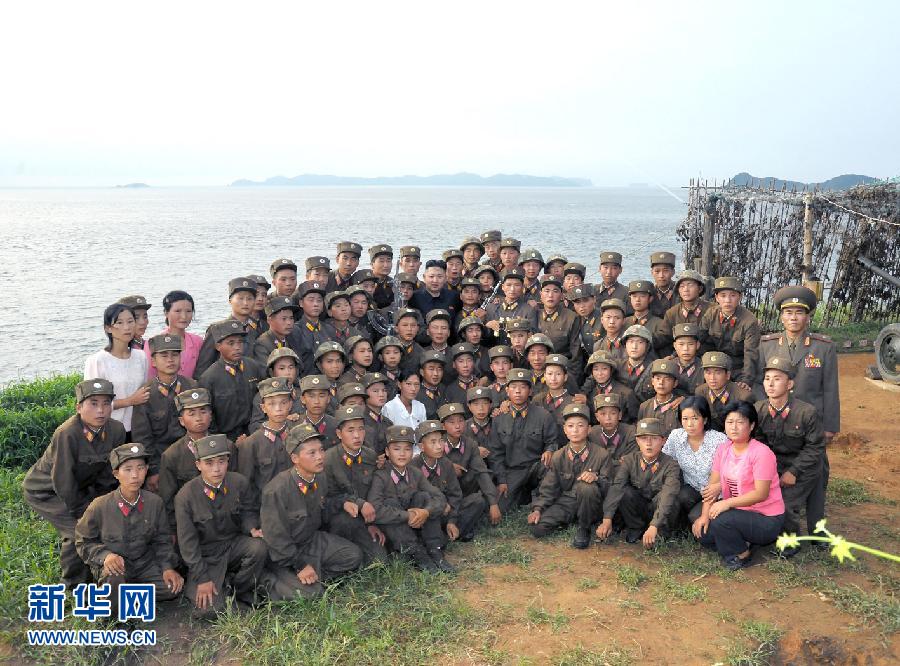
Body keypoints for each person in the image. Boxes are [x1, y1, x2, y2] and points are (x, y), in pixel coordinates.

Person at [23, 379, 125, 588]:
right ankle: (74, 584)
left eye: (106, 403)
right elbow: (63, 482)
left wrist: (101, 505)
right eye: (93, 404)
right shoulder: (67, 433)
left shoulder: (116, 430)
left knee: (101, 522)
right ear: (79, 407)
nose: (101, 410)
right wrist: (83, 513)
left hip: (82, 486)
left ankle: (98, 571)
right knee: (78, 530)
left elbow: (109, 475)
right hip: (46, 491)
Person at [75, 443, 183, 617]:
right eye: (128, 469)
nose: (135, 475)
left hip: (144, 564)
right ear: (116, 474)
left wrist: (167, 567)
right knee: (114, 576)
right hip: (116, 567)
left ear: (147, 470)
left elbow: (162, 540)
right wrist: (106, 556)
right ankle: (115, 609)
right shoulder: (100, 506)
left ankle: (119, 595)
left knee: (172, 588)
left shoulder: (154, 503)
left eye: (140, 468)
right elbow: (83, 541)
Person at [260, 424, 363, 600]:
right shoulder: (276, 490)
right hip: (284, 554)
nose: (320, 457)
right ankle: (269, 580)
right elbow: (276, 538)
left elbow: (323, 504)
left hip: (311, 540)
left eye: (321, 450)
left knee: (353, 556)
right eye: (312, 453)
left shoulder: (319, 477)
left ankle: (311, 580)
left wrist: (342, 503)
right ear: (295, 458)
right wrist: (300, 565)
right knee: (311, 596)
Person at [175, 434, 267, 617]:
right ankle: (215, 585)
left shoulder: (238, 482)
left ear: (228, 462)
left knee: (258, 547)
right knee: (208, 611)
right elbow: (188, 545)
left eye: (221, 461)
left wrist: (251, 528)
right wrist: (202, 578)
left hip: (233, 545)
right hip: (206, 556)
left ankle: (239, 588)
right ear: (198, 465)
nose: (216, 469)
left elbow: (248, 510)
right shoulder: (185, 496)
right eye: (209, 463)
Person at [698, 401, 785, 570]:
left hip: (765, 517)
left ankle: (742, 554)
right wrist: (704, 515)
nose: (734, 427)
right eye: (730, 422)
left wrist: (726, 503)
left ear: (751, 426)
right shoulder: (723, 449)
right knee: (703, 533)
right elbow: (712, 486)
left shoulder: (762, 453)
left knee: (721, 521)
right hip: (739, 512)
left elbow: (761, 494)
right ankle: (745, 540)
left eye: (740, 422)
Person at [754, 355, 826, 553]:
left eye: (777, 379)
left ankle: (790, 542)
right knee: (759, 496)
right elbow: (758, 443)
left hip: (804, 467)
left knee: (785, 503)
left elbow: (815, 448)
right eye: (767, 378)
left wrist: (794, 472)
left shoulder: (806, 412)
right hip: (774, 465)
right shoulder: (758, 410)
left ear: (790, 384)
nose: (770, 384)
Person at [367, 424, 450, 572]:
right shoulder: (381, 476)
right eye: (396, 449)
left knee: (424, 497)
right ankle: (418, 554)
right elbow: (376, 510)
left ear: (413, 451)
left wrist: (426, 512)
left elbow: (439, 497)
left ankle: (435, 550)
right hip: (395, 533)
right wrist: (407, 515)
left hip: (415, 526)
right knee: (390, 504)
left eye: (407, 449)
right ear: (387, 452)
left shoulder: (414, 472)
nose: (402, 454)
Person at [528, 403, 611, 549]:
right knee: (537, 528)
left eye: (580, 425)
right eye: (571, 426)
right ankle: (572, 519)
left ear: (589, 429)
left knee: (586, 487)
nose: (575, 430)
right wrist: (538, 509)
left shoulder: (602, 454)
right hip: (568, 502)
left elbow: (609, 487)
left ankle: (584, 528)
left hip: (593, 504)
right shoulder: (558, 456)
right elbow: (549, 488)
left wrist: (596, 478)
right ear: (565, 430)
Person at [158, 388, 237, 533]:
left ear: (211, 416)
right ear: (181, 421)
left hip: (226, 520)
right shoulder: (171, 455)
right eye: (192, 413)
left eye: (203, 411)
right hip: (192, 524)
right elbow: (168, 500)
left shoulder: (227, 446)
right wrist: (175, 530)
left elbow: (235, 485)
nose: (199, 418)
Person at [596, 417, 681, 548]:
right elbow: (617, 487)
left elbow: (668, 496)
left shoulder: (671, 464)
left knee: (671, 498)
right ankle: (635, 527)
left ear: (663, 441)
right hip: (639, 507)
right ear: (637, 441)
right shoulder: (629, 460)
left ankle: (661, 532)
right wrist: (607, 519)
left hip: (659, 509)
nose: (648, 443)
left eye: (654, 438)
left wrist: (654, 526)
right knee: (624, 492)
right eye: (643, 438)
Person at [131, 333, 198, 491]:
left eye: (175, 354)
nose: (170, 360)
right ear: (153, 361)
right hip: (161, 462)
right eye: (164, 355)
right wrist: (153, 470)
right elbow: (143, 438)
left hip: (193, 458)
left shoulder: (192, 387)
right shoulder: (146, 394)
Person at [323, 405, 388, 565]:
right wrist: (357, 503)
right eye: (350, 430)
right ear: (339, 434)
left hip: (365, 519)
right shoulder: (328, 460)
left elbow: (374, 493)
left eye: (361, 429)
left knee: (380, 562)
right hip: (339, 519)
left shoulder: (370, 456)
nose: (357, 435)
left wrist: (371, 523)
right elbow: (325, 499)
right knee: (344, 522)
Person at [488, 368, 559, 511]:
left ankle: (540, 501)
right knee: (501, 506)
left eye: (523, 387)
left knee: (549, 467)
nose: (518, 391)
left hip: (535, 468)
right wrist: (501, 480)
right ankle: (525, 496)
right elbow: (496, 453)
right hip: (513, 471)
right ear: (507, 391)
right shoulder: (499, 419)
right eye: (513, 387)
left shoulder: (543, 415)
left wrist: (550, 450)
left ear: (530, 391)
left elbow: (552, 441)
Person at [84, 302, 150, 436]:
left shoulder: (141, 356)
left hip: (138, 428)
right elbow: (92, 404)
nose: (127, 327)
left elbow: (143, 393)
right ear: (108, 328)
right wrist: (130, 401)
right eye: (119, 323)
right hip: (109, 430)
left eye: (130, 321)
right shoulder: (97, 361)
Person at [662, 397, 727, 529]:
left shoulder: (719, 440)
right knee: (679, 496)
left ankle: (697, 519)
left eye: (695, 418)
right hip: (693, 489)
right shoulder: (676, 436)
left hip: (717, 492)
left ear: (705, 419)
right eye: (685, 419)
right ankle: (681, 526)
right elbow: (665, 460)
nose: (690, 424)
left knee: (697, 518)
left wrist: (721, 485)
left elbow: (734, 470)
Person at [438, 401, 501, 536]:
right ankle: (448, 528)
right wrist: (448, 467)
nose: (457, 426)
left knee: (479, 499)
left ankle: (458, 529)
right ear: (443, 426)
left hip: (463, 494)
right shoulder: (437, 445)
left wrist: (493, 503)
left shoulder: (470, 444)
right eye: (451, 422)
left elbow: (481, 472)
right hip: (442, 497)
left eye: (460, 421)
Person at [235, 378, 295, 517]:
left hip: (297, 506)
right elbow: (246, 487)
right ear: (263, 408)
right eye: (271, 404)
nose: (278, 408)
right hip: (267, 511)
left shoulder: (297, 435)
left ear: (290, 404)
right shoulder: (251, 444)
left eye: (283, 402)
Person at [412, 420, 469, 562]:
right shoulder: (413, 466)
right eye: (433, 442)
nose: (439, 446)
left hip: (444, 513)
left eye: (441, 441)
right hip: (426, 516)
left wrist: (451, 521)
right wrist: (441, 504)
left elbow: (455, 494)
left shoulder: (446, 464)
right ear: (421, 446)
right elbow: (414, 499)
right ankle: (435, 538)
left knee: (476, 502)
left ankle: (448, 530)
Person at [199, 320, 265, 442]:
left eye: (240, 342)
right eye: (231, 343)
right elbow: (208, 416)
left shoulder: (253, 367)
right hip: (226, 438)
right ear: (218, 346)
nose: (237, 347)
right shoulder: (209, 378)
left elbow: (263, 400)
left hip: (255, 432)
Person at [699, 277, 761, 388]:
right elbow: (698, 340)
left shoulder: (749, 321)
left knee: (743, 393)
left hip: (737, 368)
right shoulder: (711, 314)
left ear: (740, 297)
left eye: (733, 295)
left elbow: (751, 353)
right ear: (717, 298)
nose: (727, 300)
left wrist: (746, 380)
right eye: (723, 296)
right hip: (713, 365)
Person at [194, 278, 261, 378]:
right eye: (240, 298)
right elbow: (202, 367)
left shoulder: (256, 329)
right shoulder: (217, 329)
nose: (245, 303)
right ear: (230, 301)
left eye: (250, 299)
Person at [145, 290, 203, 379]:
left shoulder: (197, 342)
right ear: (166, 312)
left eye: (188, 311)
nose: (184, 316)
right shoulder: (154, 343)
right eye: (177, 311)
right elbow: (149, 377)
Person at [536, 274, 583, 379]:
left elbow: (576, 354)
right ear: (540, 294)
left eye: (555, 291)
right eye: (547, 291)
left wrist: (570, 379)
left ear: (562, 295)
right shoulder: (534, 314)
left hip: (562, 373)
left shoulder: (571, 317)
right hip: (538, 372)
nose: (550, 295)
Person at [694, 351, 751, 432]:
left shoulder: (743, 396)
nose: (712, 378)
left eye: (718, 373)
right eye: (708, 373)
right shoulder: (700, 391)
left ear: (728, 375)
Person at [581, 350, 639, 424]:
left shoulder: (626, 393)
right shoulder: (590, 393)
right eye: (596, 369)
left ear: (611, 370)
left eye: (604, 368)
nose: (600, 373)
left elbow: (636, 420)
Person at [637, 359, 684, 438]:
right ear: (652, 381)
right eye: (658, 378)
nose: (661, 382)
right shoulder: (644, 407)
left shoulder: (681, 406)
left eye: (667, 379)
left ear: (675, 383)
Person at [251, 296, 303, 366]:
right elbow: (265, 371)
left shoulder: (292, 338)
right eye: (284, 319)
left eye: (291, 318)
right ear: (269, 320)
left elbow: (300, 366)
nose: (289, 322)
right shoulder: (262, 345)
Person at [589, 393, 637, 468]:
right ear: (597, 417)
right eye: (603, 414)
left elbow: (629, 462)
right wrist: (617, 462)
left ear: (620, 415)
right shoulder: (591, 434)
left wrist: (601, 461)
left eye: (613, 413)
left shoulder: (630, 432)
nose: (608, 418)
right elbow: (591, 462)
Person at [624, 280, 670, 356]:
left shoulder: (660, 324)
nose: (637, 300)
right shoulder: (624, 322)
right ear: (630, 298)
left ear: (650, 298)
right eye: (634, 296)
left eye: (642, 296)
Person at [382, 370, 427, 442]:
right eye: (408, 384)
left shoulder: (420, 406)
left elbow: (424, 434)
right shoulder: (389, 407)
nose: (413, 389)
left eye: (416, 384)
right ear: (399, 385)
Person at [296, 374, 338, 449]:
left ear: (328, 398)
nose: (317, 401)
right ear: (303, 399)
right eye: (311, 396)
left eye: (321, 396)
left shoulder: (336, 426)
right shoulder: (293, 425)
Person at [362, 372, 395, 456]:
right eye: (375, 391)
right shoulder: (360, 421)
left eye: (384, 390)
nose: (381, 394)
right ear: (364, 393)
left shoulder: (388, 423)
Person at [669, 323, 705, 396]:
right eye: (681, 344)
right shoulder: (668, 366)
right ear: (675, 346)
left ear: (697, 345)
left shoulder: (704, 368)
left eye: (690, 344)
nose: (686, 349)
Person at [417, 350, 447, 419]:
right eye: (431, 369)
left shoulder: (445, 390)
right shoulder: (415, 393)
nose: (436, 373)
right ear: (422, 372)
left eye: (439, 369)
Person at [648, 251, 679, 318]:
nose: (661, 275)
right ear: (652, 272)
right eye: (657, 271)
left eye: (666, 271)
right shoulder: (649, 293)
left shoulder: (680, 291)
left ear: (673, 272)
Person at [369, 244, 395, 309]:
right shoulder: (365, 282)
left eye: (388, 261)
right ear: (372, 264)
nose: (386, 265)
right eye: (381, 261)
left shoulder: (393, 283)